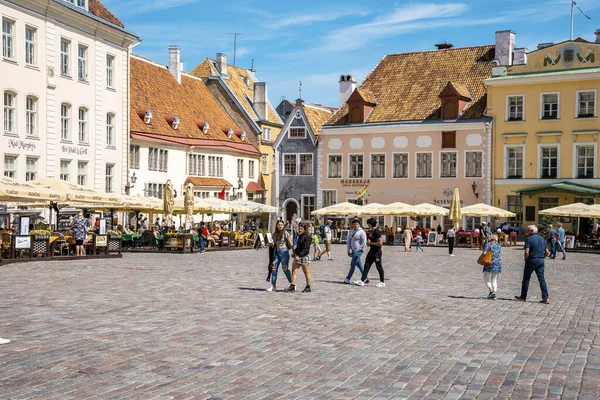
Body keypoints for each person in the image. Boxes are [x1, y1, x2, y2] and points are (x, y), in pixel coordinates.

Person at [516, 225, 550, 304]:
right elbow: (547, 252)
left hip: (531, 260)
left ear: (531, 231)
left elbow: (527, 252)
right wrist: (542, 257)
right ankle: (545, 297)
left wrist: (525, 258)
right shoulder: (543, 239)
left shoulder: (529, 239)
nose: (527, 232)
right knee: (541, 279)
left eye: (528, 231)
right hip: (541, 260)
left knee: (526, 279)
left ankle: (523, 296)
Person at [354, 218, 385, 287]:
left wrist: (371, 243)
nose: (367, 225)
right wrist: (369, 242)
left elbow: (380, 243)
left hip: (377, 253)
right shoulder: (372, 232)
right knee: (367, 265)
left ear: (370, 224)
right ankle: (362, 281)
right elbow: (369, 242)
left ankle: (382, 282)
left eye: (368, 223)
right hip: (371, 252)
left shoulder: (377, 232)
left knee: (379, 266)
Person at [286, 223, 312, 292]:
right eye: (299, 228)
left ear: (304, 229)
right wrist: (294, 252)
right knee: (294, 271)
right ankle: (292, 286)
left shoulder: (308, 237)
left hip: (304, 257)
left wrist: (299, 256)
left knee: (306, 272)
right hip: (298, 256)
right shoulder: (299, 236)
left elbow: (306, 249)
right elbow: (298, 247)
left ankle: (308, 286)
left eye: (301, 229)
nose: (299, 230)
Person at [268, 220, 293, 292]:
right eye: (279, 225)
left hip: (284, 252)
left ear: (283, 226)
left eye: (281, 225)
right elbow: (273, 244)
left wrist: (294, 252)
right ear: (276, 226)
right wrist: (271, 243)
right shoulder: (274, 234)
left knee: (285, 269)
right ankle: (273, 285)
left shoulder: (286, 233)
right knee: (274, 268)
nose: (280, 226)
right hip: (277, 252)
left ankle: (292, 283)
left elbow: (290, 243)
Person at [344, 219, 368, 284]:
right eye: (354, 224)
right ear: (352, 225)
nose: (355, 225)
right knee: (359, 264)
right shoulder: (351, 232)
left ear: (359, 225)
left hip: (359, 250)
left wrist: (358, 249)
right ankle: (366, 278)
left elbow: (364, 242)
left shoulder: (362, 232)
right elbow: (348, 242)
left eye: (357, 224)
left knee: (352, 264)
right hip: (353, 250)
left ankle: (348, 278)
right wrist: (348, 250)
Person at [482, 234, 502, 299]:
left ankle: (491, 291)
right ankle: (494, 292)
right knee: (494, 279)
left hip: (490, 263)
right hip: (497, 263)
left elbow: (484, 253)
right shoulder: (498, 245)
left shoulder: (488, 244)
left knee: (486, 277)